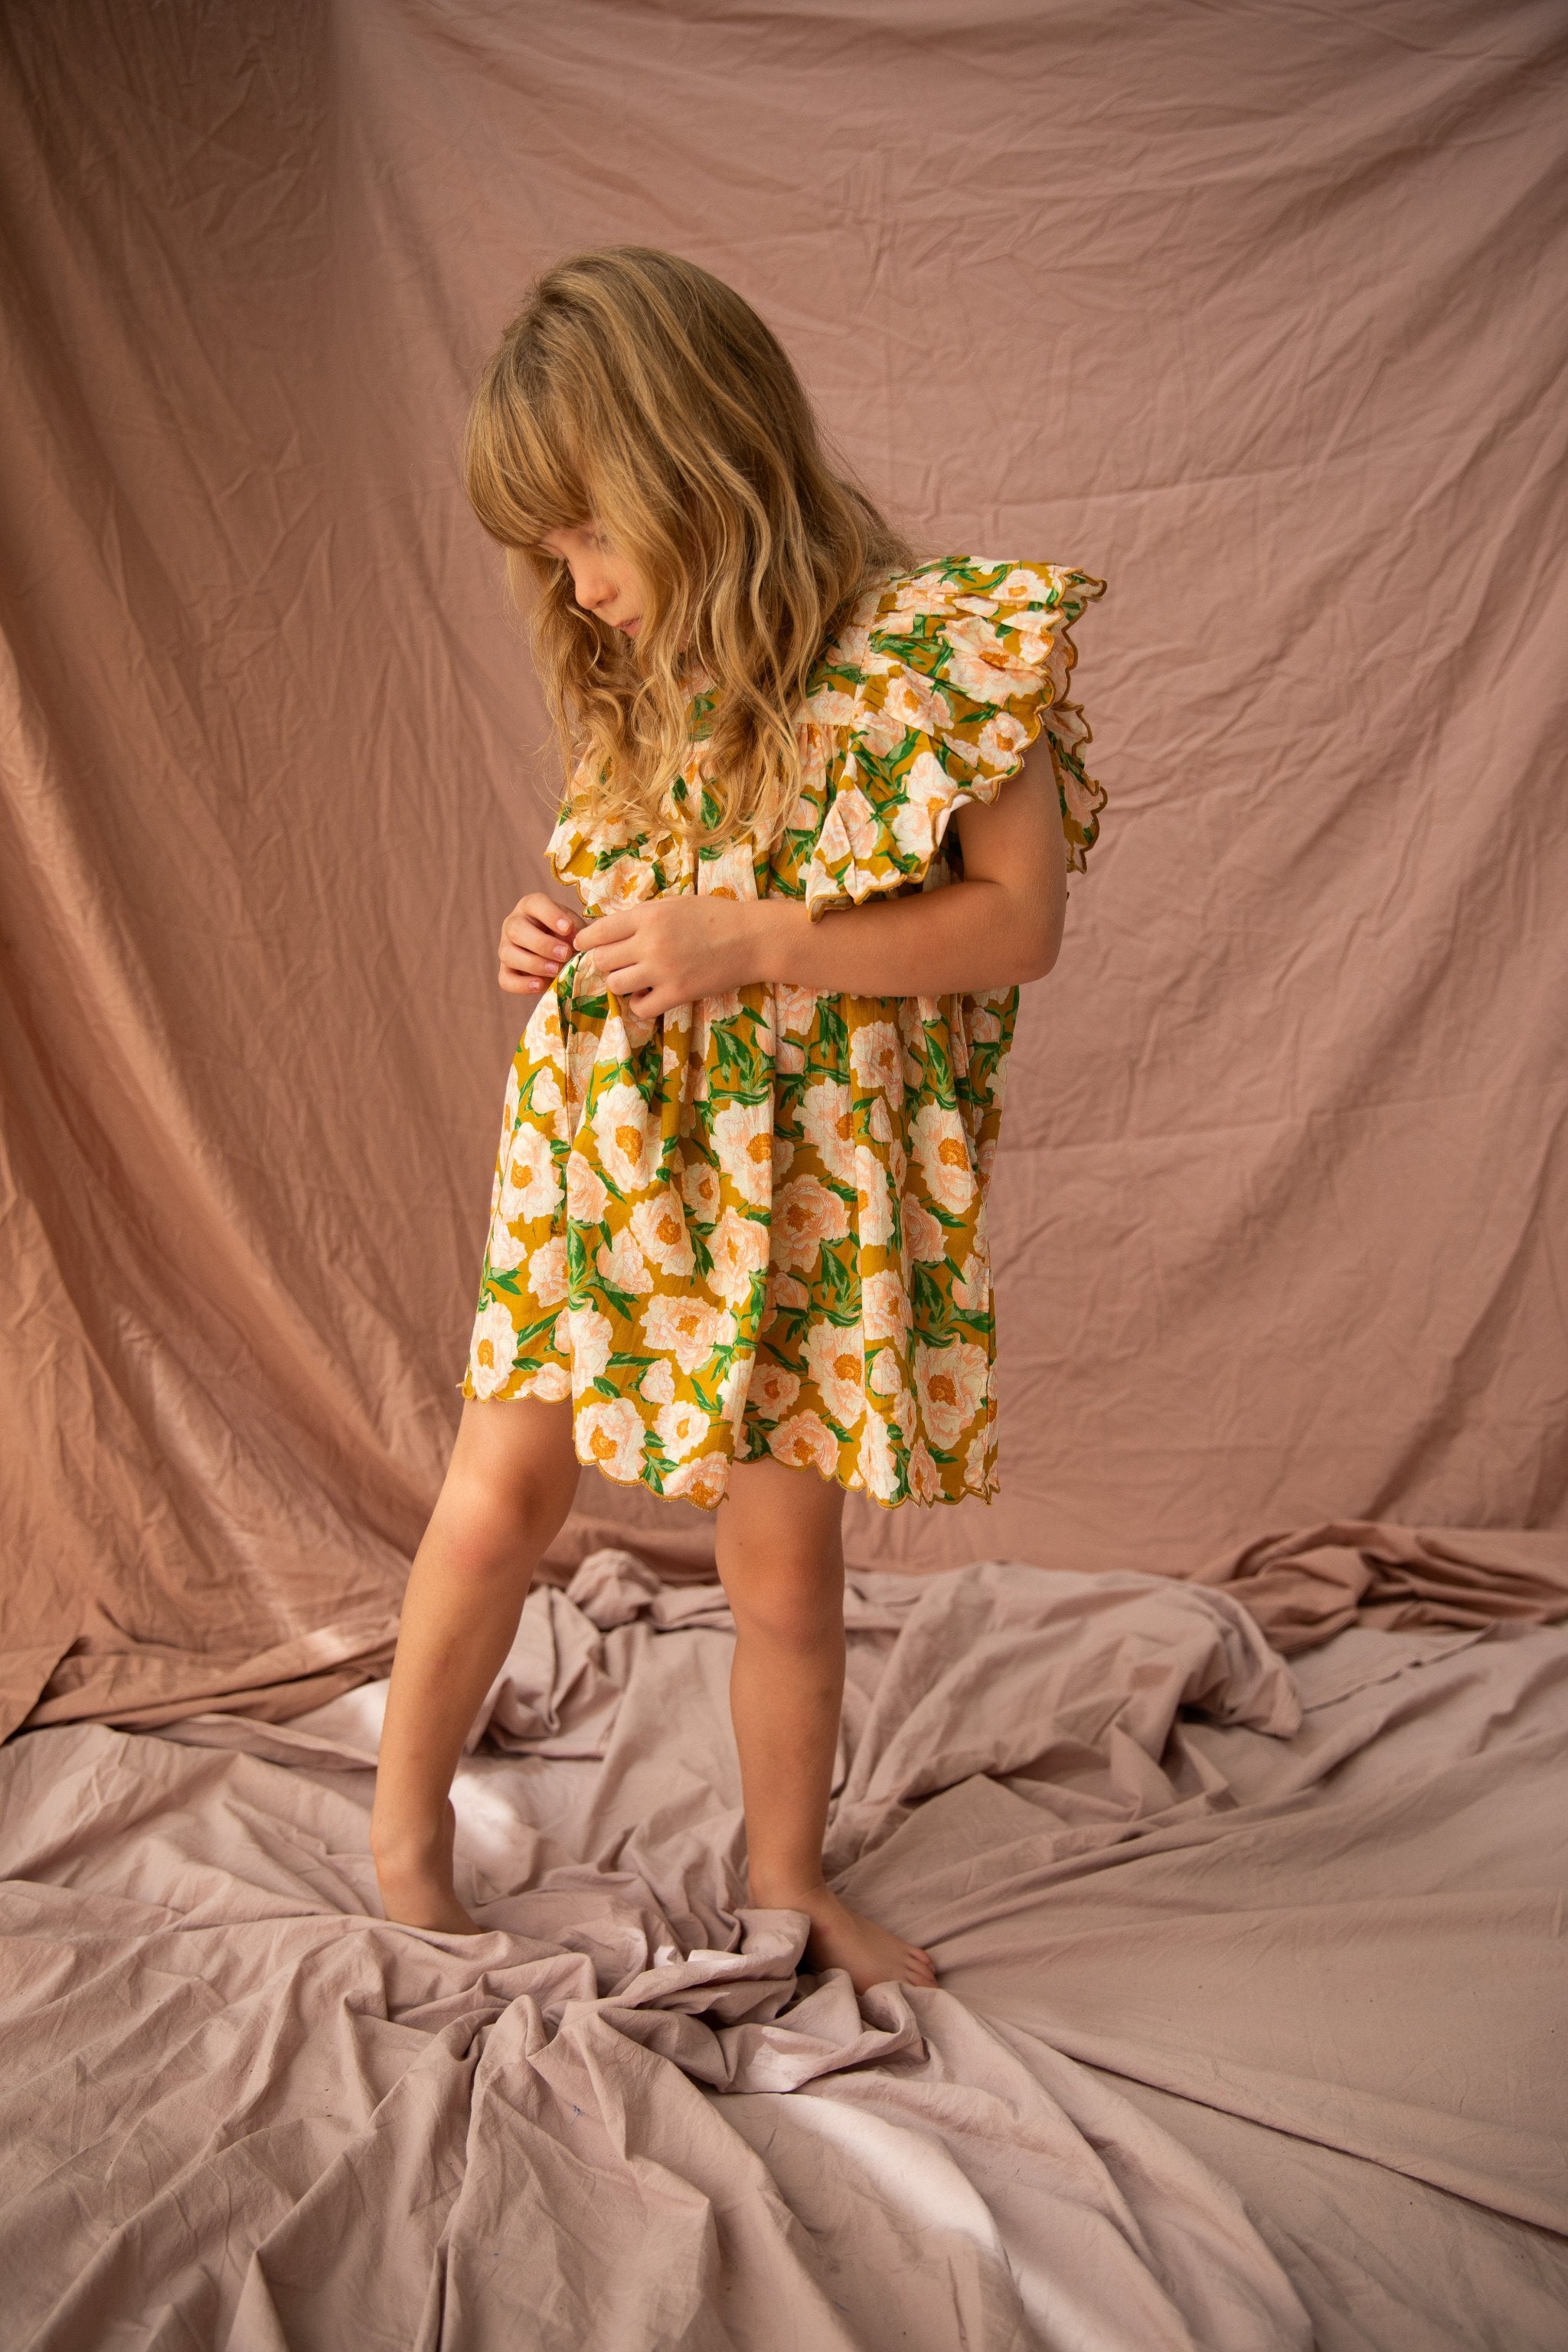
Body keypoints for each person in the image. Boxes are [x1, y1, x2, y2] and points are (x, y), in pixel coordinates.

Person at [370, 246, 1106, 1993]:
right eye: (546, 550)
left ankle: (792, 1881)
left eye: (589, 533)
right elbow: (645, 883)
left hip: (806, 1186)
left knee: (784, 1560)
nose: (579, 582)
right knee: (501, 1487)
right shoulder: (643, 658)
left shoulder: (945, 659)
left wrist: (761, 943)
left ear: (696, 464)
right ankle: (401, 1842)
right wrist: (548, 931)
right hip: (607, 1146)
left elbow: (1017, 927)